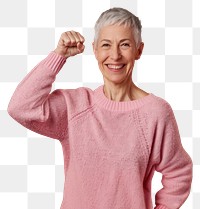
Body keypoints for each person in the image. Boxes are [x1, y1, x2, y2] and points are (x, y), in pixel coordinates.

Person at [7, 7, 192, 209]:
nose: (115, 55)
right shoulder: (75, 107)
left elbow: (179, 171)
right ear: (95, 50)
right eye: (106, 45)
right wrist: (59, 56)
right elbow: (20, 107)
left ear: (139, 50)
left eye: (125, 45)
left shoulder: (156, 113)